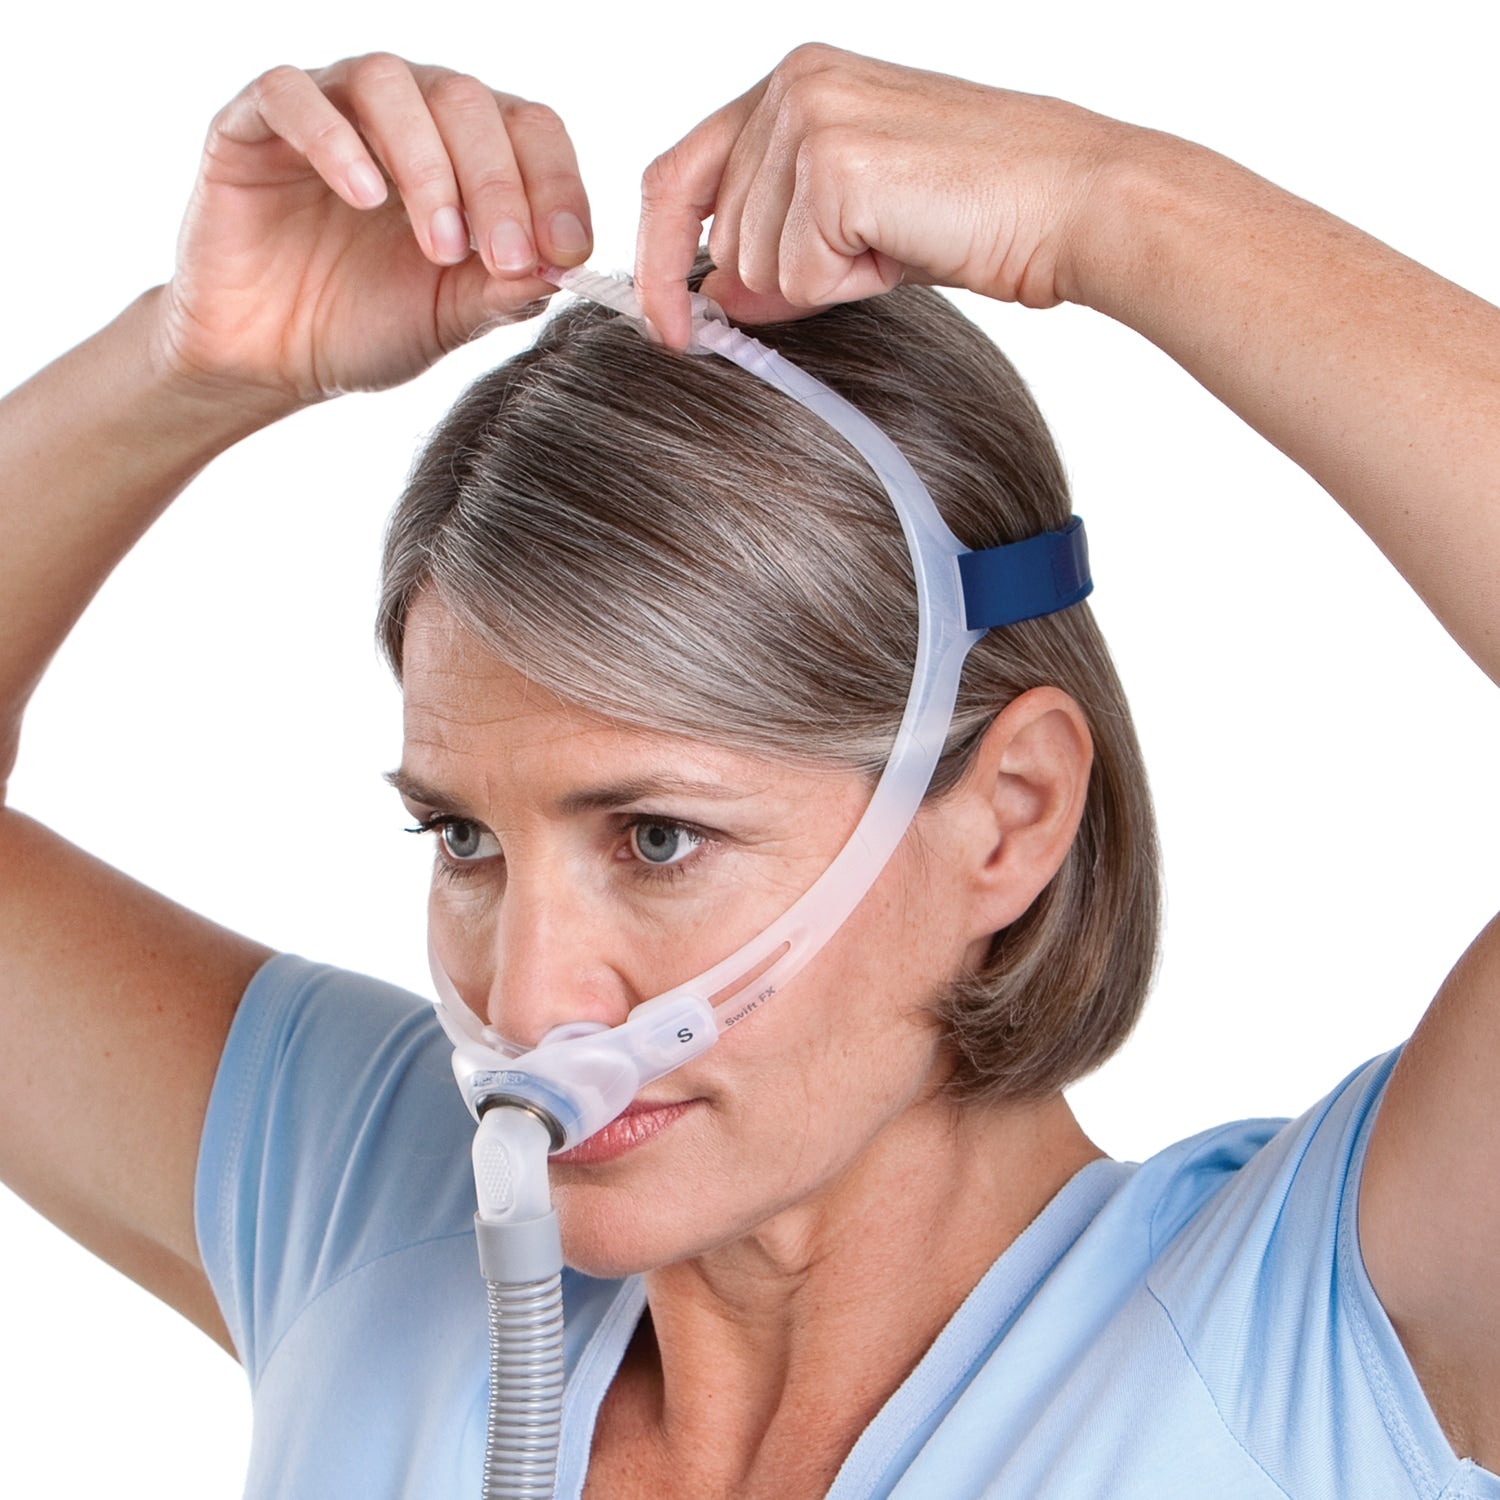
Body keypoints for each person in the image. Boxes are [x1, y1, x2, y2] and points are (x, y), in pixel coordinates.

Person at [2, 41, 1497, 1499]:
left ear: (1011, 816)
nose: (527, 1006)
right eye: (464, 840)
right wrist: (191, 361)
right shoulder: (365, 1210)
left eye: (656, 838)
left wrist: (1110, 201)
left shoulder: (1322, 1350)